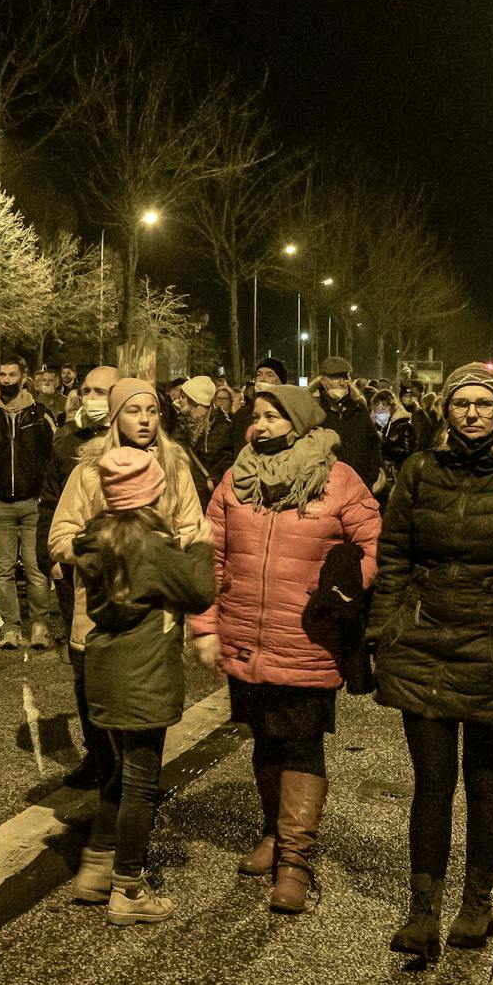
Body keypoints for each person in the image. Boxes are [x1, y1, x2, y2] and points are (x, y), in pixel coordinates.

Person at [371, 364, 493, 959]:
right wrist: (385, 630)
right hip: (425, 645)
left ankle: (477, 903)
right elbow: (394, 558)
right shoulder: (418, 472)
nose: (472, 414)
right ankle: (423, 908)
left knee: (486, 784)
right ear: (446, 410)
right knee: (431, 785)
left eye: (484, 404)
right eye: (461, 403)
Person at [187, 383, 381, 914]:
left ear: (300, 423)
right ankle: (272, 834)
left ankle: (296, 859)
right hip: (246, 633)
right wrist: (206, 624)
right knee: (265, 740)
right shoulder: (237, 478)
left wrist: (341, 591)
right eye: (257, 417)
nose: (262, 426)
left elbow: (373, 546)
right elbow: (211, 555)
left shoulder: (338, 480)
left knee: (300, 744)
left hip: (308, 635)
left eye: (274, 417)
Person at [64, 446, 217, 925]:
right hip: (145, 675)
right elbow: (200, 592)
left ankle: (95, 867)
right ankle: (128, 888)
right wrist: (202, 544)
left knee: (118, 771)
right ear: (151, 492)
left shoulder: (96, 540)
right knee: (141, 784)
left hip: (104, 671)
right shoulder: (152, 546)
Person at [50, 378, 211, 802]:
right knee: (96, 706)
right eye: (134, 411)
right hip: (99, 612)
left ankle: (133, 809)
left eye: (152, 411)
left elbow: (195, 527)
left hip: (155, 616)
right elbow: (60, 535)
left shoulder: (175, 467)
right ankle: (108, 788)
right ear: (116, 417)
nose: (144, 420)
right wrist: (104, 553)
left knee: (145, 716)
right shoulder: (88, 471)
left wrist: (166, 553)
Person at [38, 365, 117, 785]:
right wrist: (47, 554)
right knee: (83, 668)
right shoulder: (66, 442)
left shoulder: (145, 446)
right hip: (77, 571)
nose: (91, 397)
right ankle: (96, 752)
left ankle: (129, 758)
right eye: (85, 390)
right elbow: (50, 499)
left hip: (127, 580)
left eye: (101, 391)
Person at [0, 355, 58, 650]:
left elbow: (53, 457)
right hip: (0, 502)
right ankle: (12, 628)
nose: (6, 380)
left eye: (11, 375)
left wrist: (45, 493)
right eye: (2, 375)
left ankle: (39, 625)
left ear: (22, 377)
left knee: (35, 568)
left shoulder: (40, 414)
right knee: (2, 570)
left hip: (32, 501)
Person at [312, 356, 383, 492]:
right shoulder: (312, 408)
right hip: (324, 486)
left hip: (358, 485)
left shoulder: (359, 408)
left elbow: (372, 443)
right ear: (323, 380)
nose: (341, 382)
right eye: (335, 378)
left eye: (345, 377)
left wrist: (371, 477)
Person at [174, 374, 233, 486]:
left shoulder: (222, 428)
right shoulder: (180, 424)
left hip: (207, 498)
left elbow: (225, 466)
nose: (179, 400)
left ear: (195, 400)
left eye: (183, 397)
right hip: (185, 492)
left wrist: (212, 483)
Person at [228, 357, 289, 455]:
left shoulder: (288, 414)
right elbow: (227, 449)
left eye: (269, 375)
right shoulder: (242, 414)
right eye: (258, 374)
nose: (262, 379)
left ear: (281, 382)